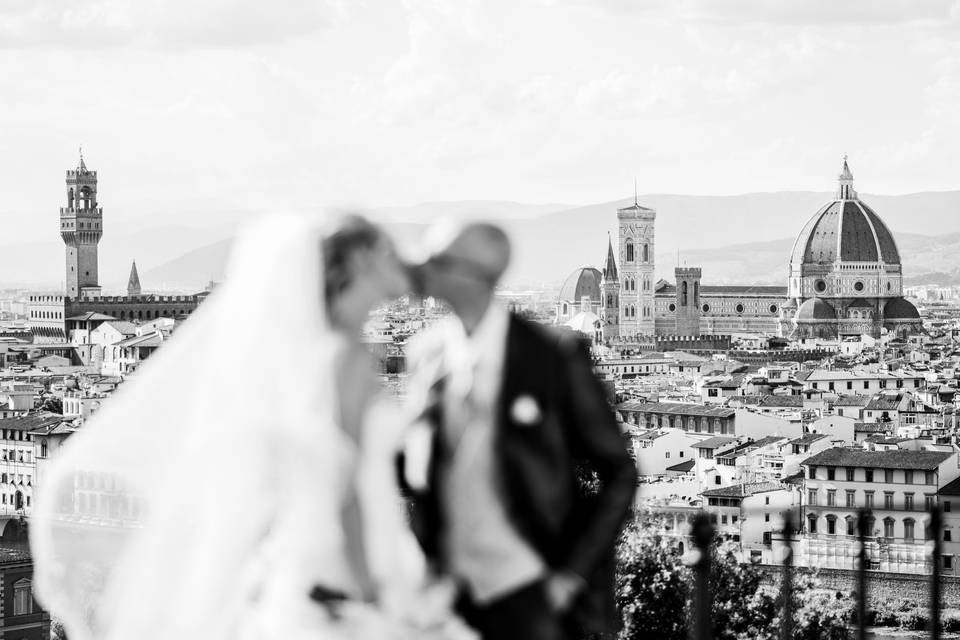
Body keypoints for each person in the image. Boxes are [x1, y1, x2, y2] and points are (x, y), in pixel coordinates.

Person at [31, 213, 475, 640]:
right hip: (341, 567)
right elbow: (348, 496)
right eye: (384, 249)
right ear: (356, 263)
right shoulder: (347, 361)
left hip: (300, 571)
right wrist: (372, 592)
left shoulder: (303, 361)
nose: (401, 258)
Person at [402, 221, 638, 640]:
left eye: (436, 260)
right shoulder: (425, 353)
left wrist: (570, 574)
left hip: (531, 588)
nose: (420, 267)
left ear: (475, 274)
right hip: (446, 593)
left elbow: (618, 471)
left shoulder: (553, 356)